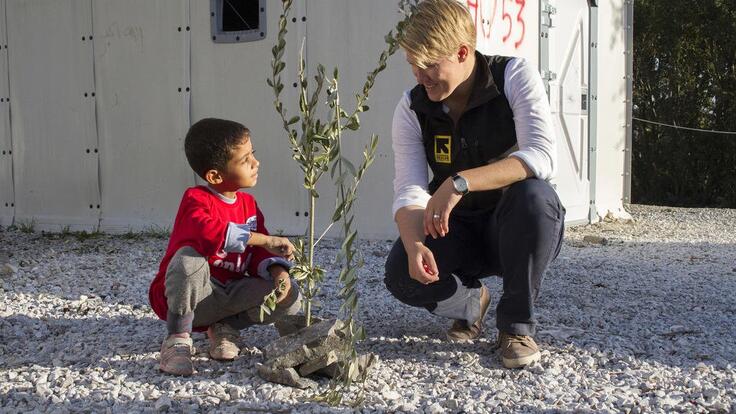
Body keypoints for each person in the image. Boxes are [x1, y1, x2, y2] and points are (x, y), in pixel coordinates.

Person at [384, 0, 565, 369]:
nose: (421, 76)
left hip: (513, 226)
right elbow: (410, 190)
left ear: (463, 52)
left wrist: (459, 182)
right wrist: (415, 243)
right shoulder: (411, 108)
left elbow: (542, 156)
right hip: (458, 229)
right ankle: (471, 302)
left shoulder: (513, 75)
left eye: (430, 65)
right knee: (400, 272)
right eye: (414, 66)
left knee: (537, 198)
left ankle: (515, 326)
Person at [148, 118, 301, 376]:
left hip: (230, 295)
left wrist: (277, 270)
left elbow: (256, 253)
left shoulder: (249, 205)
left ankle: (224, 327)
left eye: (254, 154)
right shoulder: (195, 199)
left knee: (290, 294)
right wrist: (266, 239)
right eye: (245, 159)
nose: (256, 162)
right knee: (188, 260)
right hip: (195, 299)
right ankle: (177, 340)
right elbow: (210, 232)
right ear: (215, 176)